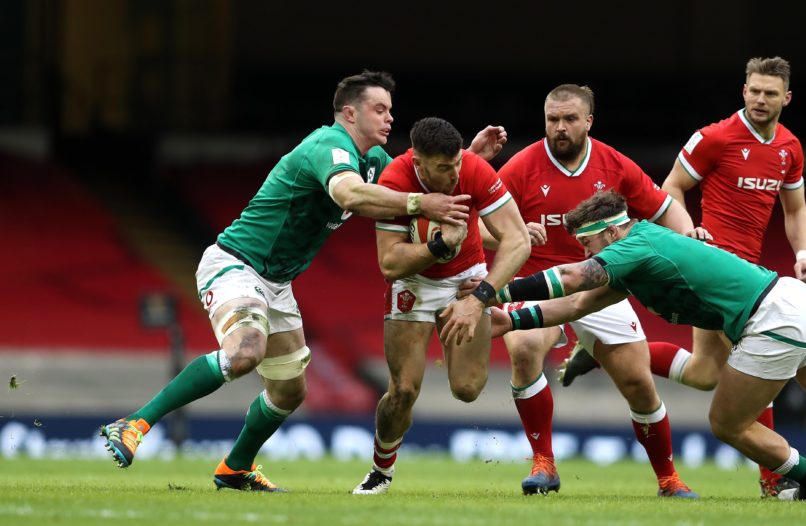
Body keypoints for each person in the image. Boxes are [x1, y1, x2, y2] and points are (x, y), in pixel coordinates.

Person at [99, 70, 508, 492]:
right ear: (350, 113)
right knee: (245, 352)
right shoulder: (327, 144)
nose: (389, 119)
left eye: (391, 110)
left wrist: (462, 163)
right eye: (379, 109)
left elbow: (420, 184)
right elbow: (353, 195)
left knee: (289, 391)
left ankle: (235, 468)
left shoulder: (375, 162)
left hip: (278, 283)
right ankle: (133, 424)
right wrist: (423, 201)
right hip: (237, 264)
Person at [481, 190, 806, 501]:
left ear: (611, 233)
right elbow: (575, 306)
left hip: (770, 319)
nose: (585, 251)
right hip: (794, 302)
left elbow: (572, 279)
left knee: (726, 423)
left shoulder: (635, 242)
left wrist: (495, 289)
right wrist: (513, 319)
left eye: (589, 242)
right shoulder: (634, 258)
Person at [559, 57, 806, 497]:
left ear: (785, 98)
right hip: (711, 270)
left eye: (770, 93)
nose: (759, 99)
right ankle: (774, 481)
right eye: (754, 90)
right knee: (759, 369)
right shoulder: (714, 138)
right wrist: (688, 231)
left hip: (751, 273)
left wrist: (804, 253)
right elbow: (670, 188)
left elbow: (796, 210)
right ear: (744, 90)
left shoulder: (790, 148)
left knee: (703, 373)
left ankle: (604, 353)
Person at [460, 84, 702, 498]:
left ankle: (668, 479)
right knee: (522, 349)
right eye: (553, 120)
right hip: (537, 283)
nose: (560, 128)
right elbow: (477, 226)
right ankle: (544, 464)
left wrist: (689, 237)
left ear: (589, 121)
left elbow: (664, 208)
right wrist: (512, 236)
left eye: (570, 119)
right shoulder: (521, 167)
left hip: (600, 282)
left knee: (639, 383)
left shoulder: (614, 164)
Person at [352, 117, 530, 495]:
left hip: (468, 280)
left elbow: (518, 240)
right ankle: (381, 471)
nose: (454, 175)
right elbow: (390, 264)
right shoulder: (396, 182)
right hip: (414, 283)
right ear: (418, 162)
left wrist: (482, 294)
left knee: (467, 389)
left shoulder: (473, 169)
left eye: (457, 164)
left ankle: (499, 315)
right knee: (402, 391)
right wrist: (439, 247)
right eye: (442, 168)